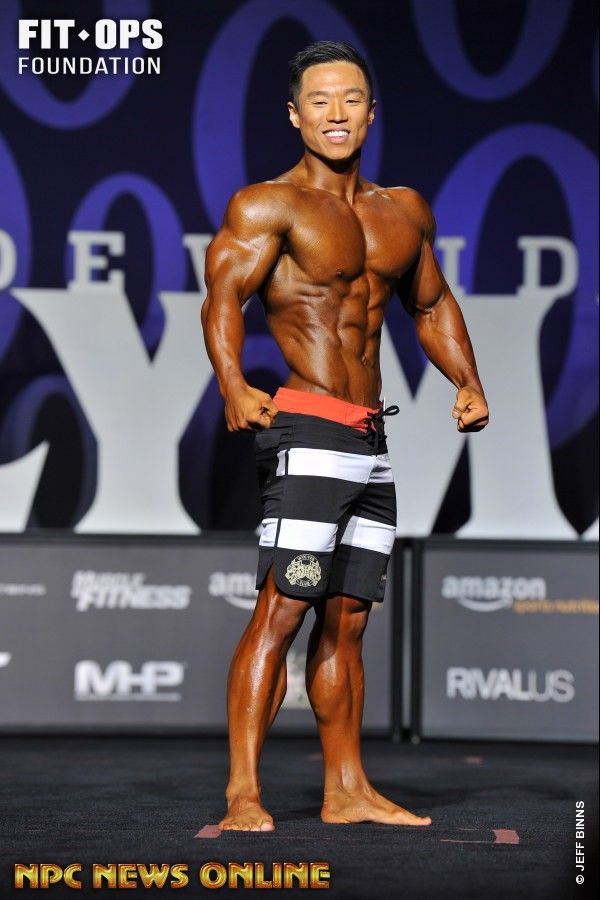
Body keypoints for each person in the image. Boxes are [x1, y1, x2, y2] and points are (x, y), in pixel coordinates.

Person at [201, 40, 489, 832]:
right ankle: (243, 793)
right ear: (296, 115)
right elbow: (222, 295)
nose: (336, 114)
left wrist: (467, 380)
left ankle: (347, 789)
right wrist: (233, 383)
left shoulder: (403, 210)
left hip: (370, 438)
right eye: (320, 101)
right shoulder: (268, 205)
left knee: (349, 619)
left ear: (370, 112)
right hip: (307, 430)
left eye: (351, 99)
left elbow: (430, 303)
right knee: (283, 608)